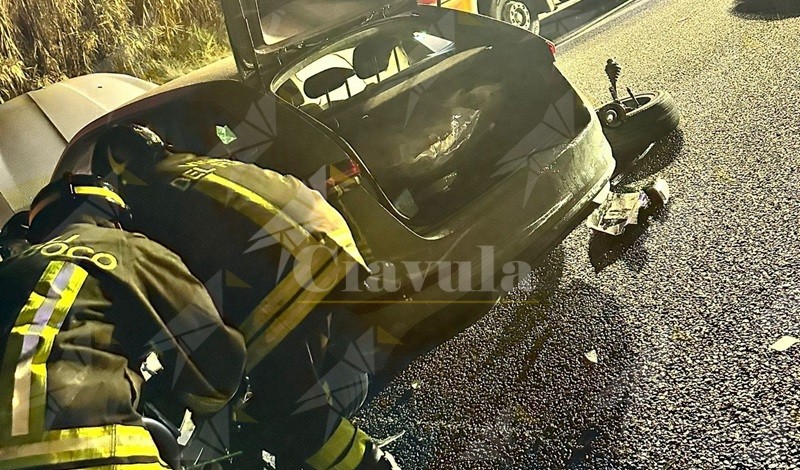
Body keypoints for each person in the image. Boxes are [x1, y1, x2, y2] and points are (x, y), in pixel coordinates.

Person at [92, 124, 399, 469]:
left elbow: (168, 292)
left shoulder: (146, 200)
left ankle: (371, 464)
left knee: (291, 413)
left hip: (289, 274)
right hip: (330, 241)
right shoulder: (192, 164)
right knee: (289, 380)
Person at [0, 174, 247, 469]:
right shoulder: (127, 247)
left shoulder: (12, 269)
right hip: (99, 452)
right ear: (111, 215)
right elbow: (214, 358)